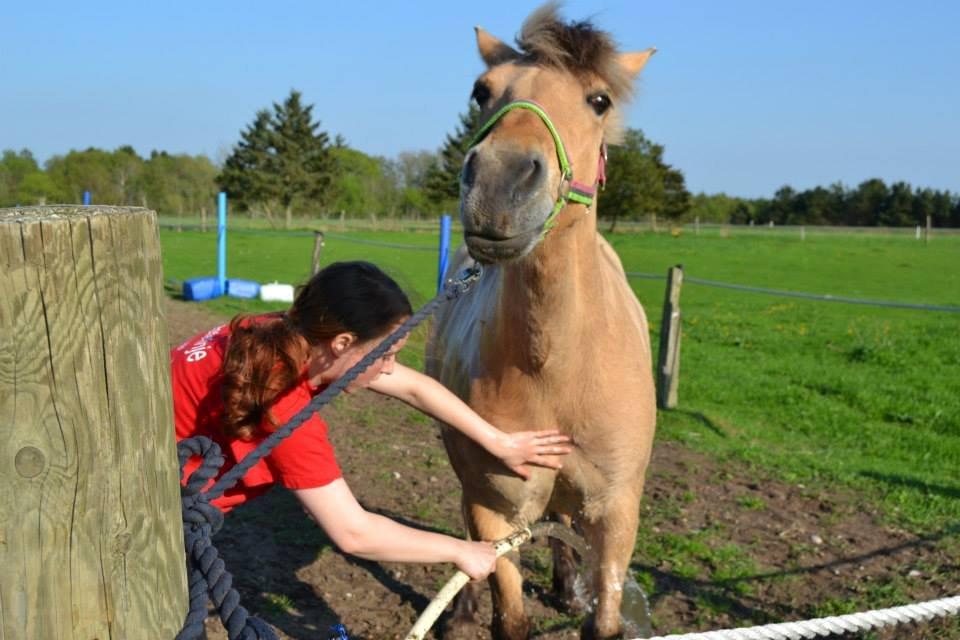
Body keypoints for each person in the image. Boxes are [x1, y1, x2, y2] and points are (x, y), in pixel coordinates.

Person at [172, 260, 572, 582]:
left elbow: (414, 387)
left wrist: (500, 442)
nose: (388, 369)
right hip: (149, 515)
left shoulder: (279, 331)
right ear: (343, 343)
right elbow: (353, 532)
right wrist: (461, 550)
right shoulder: (282, 405)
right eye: (385, 355)